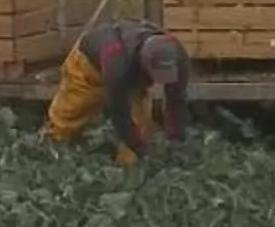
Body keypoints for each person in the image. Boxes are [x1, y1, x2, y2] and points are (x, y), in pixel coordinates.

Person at [43, 18, 189, 165]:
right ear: (144, 63)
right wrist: (138, 146)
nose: (160, 81)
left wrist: (176, 139)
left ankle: (129, 168)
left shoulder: (178, 55)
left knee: (139, 121)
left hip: (132, 68)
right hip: (89, 64)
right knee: (72, 110)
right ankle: (50, 147)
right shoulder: (117, 66)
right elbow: (119, 112)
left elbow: (177, 98)